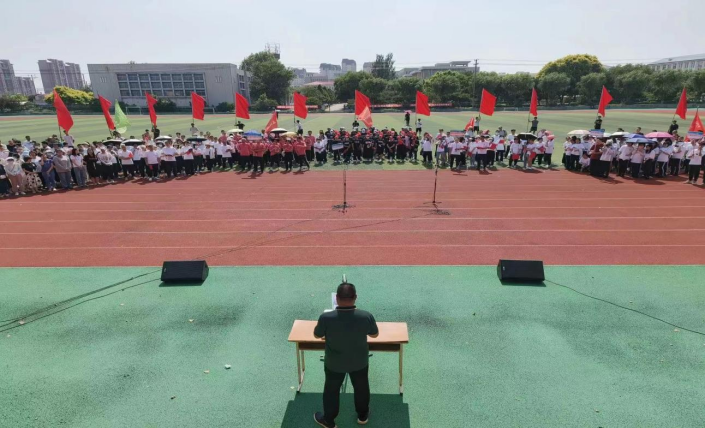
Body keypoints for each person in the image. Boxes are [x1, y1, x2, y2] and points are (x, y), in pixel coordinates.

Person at [313, 282, 378, 428]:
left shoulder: (325, 317)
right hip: (359, 361)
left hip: (334, 363)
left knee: (331, 390)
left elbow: (317, 335)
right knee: (361, 387)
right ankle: (363, 416)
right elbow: (374, 334)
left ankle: (329, 420)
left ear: (336, 298)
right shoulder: (366, 316)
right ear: (355, 297)